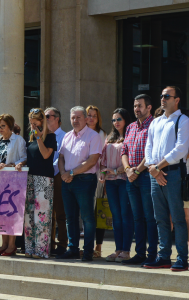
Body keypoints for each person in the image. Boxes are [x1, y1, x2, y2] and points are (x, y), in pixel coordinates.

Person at [143, 86, 189, 271]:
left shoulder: (183, 120)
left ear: (176, 99)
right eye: (161, 96)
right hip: (155, 174)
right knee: (160, 218)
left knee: (178, 218)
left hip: (173, 173)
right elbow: (149, 147)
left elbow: (180, 149)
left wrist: (158, 167)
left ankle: (182, 258)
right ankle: (163, 256)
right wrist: (152, 168)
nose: (162, 99)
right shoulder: (155, 122)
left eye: (167, 96)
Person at [56, 106, 103, 261]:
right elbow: (61, 157)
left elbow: (92, 160)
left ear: (85, 118)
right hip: (67, 181)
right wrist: (63, 173)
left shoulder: (93, 136)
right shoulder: (67, 136)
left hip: (84, 180)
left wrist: (71, 173)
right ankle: (73, 248)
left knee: (87, 217)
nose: (75, 120)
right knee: (70, 217)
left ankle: (88, 251)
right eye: (73, 118)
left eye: (78, 117)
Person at [120, 94, 156, 266]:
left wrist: (137, 171)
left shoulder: (154, 125)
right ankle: (140, 253)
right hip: (131, 177)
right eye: (135, 106)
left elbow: (152, 153)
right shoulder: (130, 127)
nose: (136, 109)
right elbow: (124, 151)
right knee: (137, 218)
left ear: (149, 107)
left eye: (140, 106)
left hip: (147, 175)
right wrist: (128, 170)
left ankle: (152, 254)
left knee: (150, 217)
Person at [18, 109, 56, 258]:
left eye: (36, 121)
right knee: (28, 215)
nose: (33, 124)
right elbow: (31, 156)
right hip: (29, 178)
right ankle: (29, 248)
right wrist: (21, 163)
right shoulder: (30, 137)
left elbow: (46, 155)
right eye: (31, 121)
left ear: (42, 122)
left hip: (44, 179)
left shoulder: (50, 137)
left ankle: (41, 250)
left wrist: (39, 137)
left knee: (42, 215)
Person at [0, 114, 27, 256]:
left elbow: (24, 158)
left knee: (11, 214)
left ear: (10, 126)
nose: (0, 129)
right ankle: (3, 244)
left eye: (3, 126)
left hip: (13, 183)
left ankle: (12, 245)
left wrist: (11, 164)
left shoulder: (18, 140)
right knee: (0, 215)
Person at [99, 108, 134, 263]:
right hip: (111, 182)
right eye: (113, 120)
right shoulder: (110, 137)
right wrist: (103, 173)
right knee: (116, 217)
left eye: (119, 119)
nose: (116, 122)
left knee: (126, 215)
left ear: (126, 119)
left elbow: (131, 160)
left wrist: (115, 170)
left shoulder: (130, 135)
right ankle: (118, 249)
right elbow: (103, 160)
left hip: (124, 179)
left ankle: (126, 250)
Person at [45, 107, 68, 256]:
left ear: (57, 118)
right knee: (47, 214)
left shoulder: (64, 136)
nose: (45, 118)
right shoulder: (43, 135)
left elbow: (60, 158)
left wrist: (51, 171)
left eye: (48, 116)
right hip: (45, 177)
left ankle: (62, 244)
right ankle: (49, 244)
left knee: (60, 212)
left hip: (58, 175)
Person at [85, 105, 107, 257]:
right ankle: (87, 246)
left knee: (98, 212)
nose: (91, 118)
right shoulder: (81, 133)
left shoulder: (101, 134)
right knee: (87, 213)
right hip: (83, 175)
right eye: (89, 115)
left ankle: (98, 247)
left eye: (94, 115)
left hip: (98, 175)